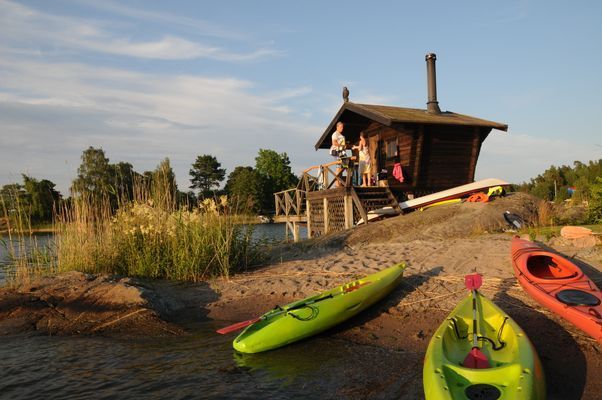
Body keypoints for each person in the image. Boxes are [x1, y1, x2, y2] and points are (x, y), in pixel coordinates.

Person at [330, 122, 346, 186]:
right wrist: (342, 145)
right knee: (338, 167)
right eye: (341, 127)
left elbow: (343, 144)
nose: (342, 128)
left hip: (342, 152)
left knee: (345, 165)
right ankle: (337, 183)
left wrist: (344, 146)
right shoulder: (335, 134)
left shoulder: (341, 135)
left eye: (342, 127)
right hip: (336, 151)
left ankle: (341, 182)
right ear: (337, 127)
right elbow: (334, 143)